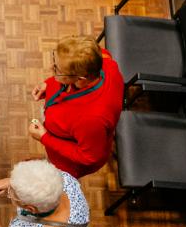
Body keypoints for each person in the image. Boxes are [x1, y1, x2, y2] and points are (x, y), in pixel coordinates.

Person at [30, 36, 124, 178]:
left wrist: (44, 137)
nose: (51, 69)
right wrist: (49, 84)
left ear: (81, 79)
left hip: (66, 162)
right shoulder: (105, 63)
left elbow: (89, 157)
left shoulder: (91, 119)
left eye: (57, 69)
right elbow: (104, 52)